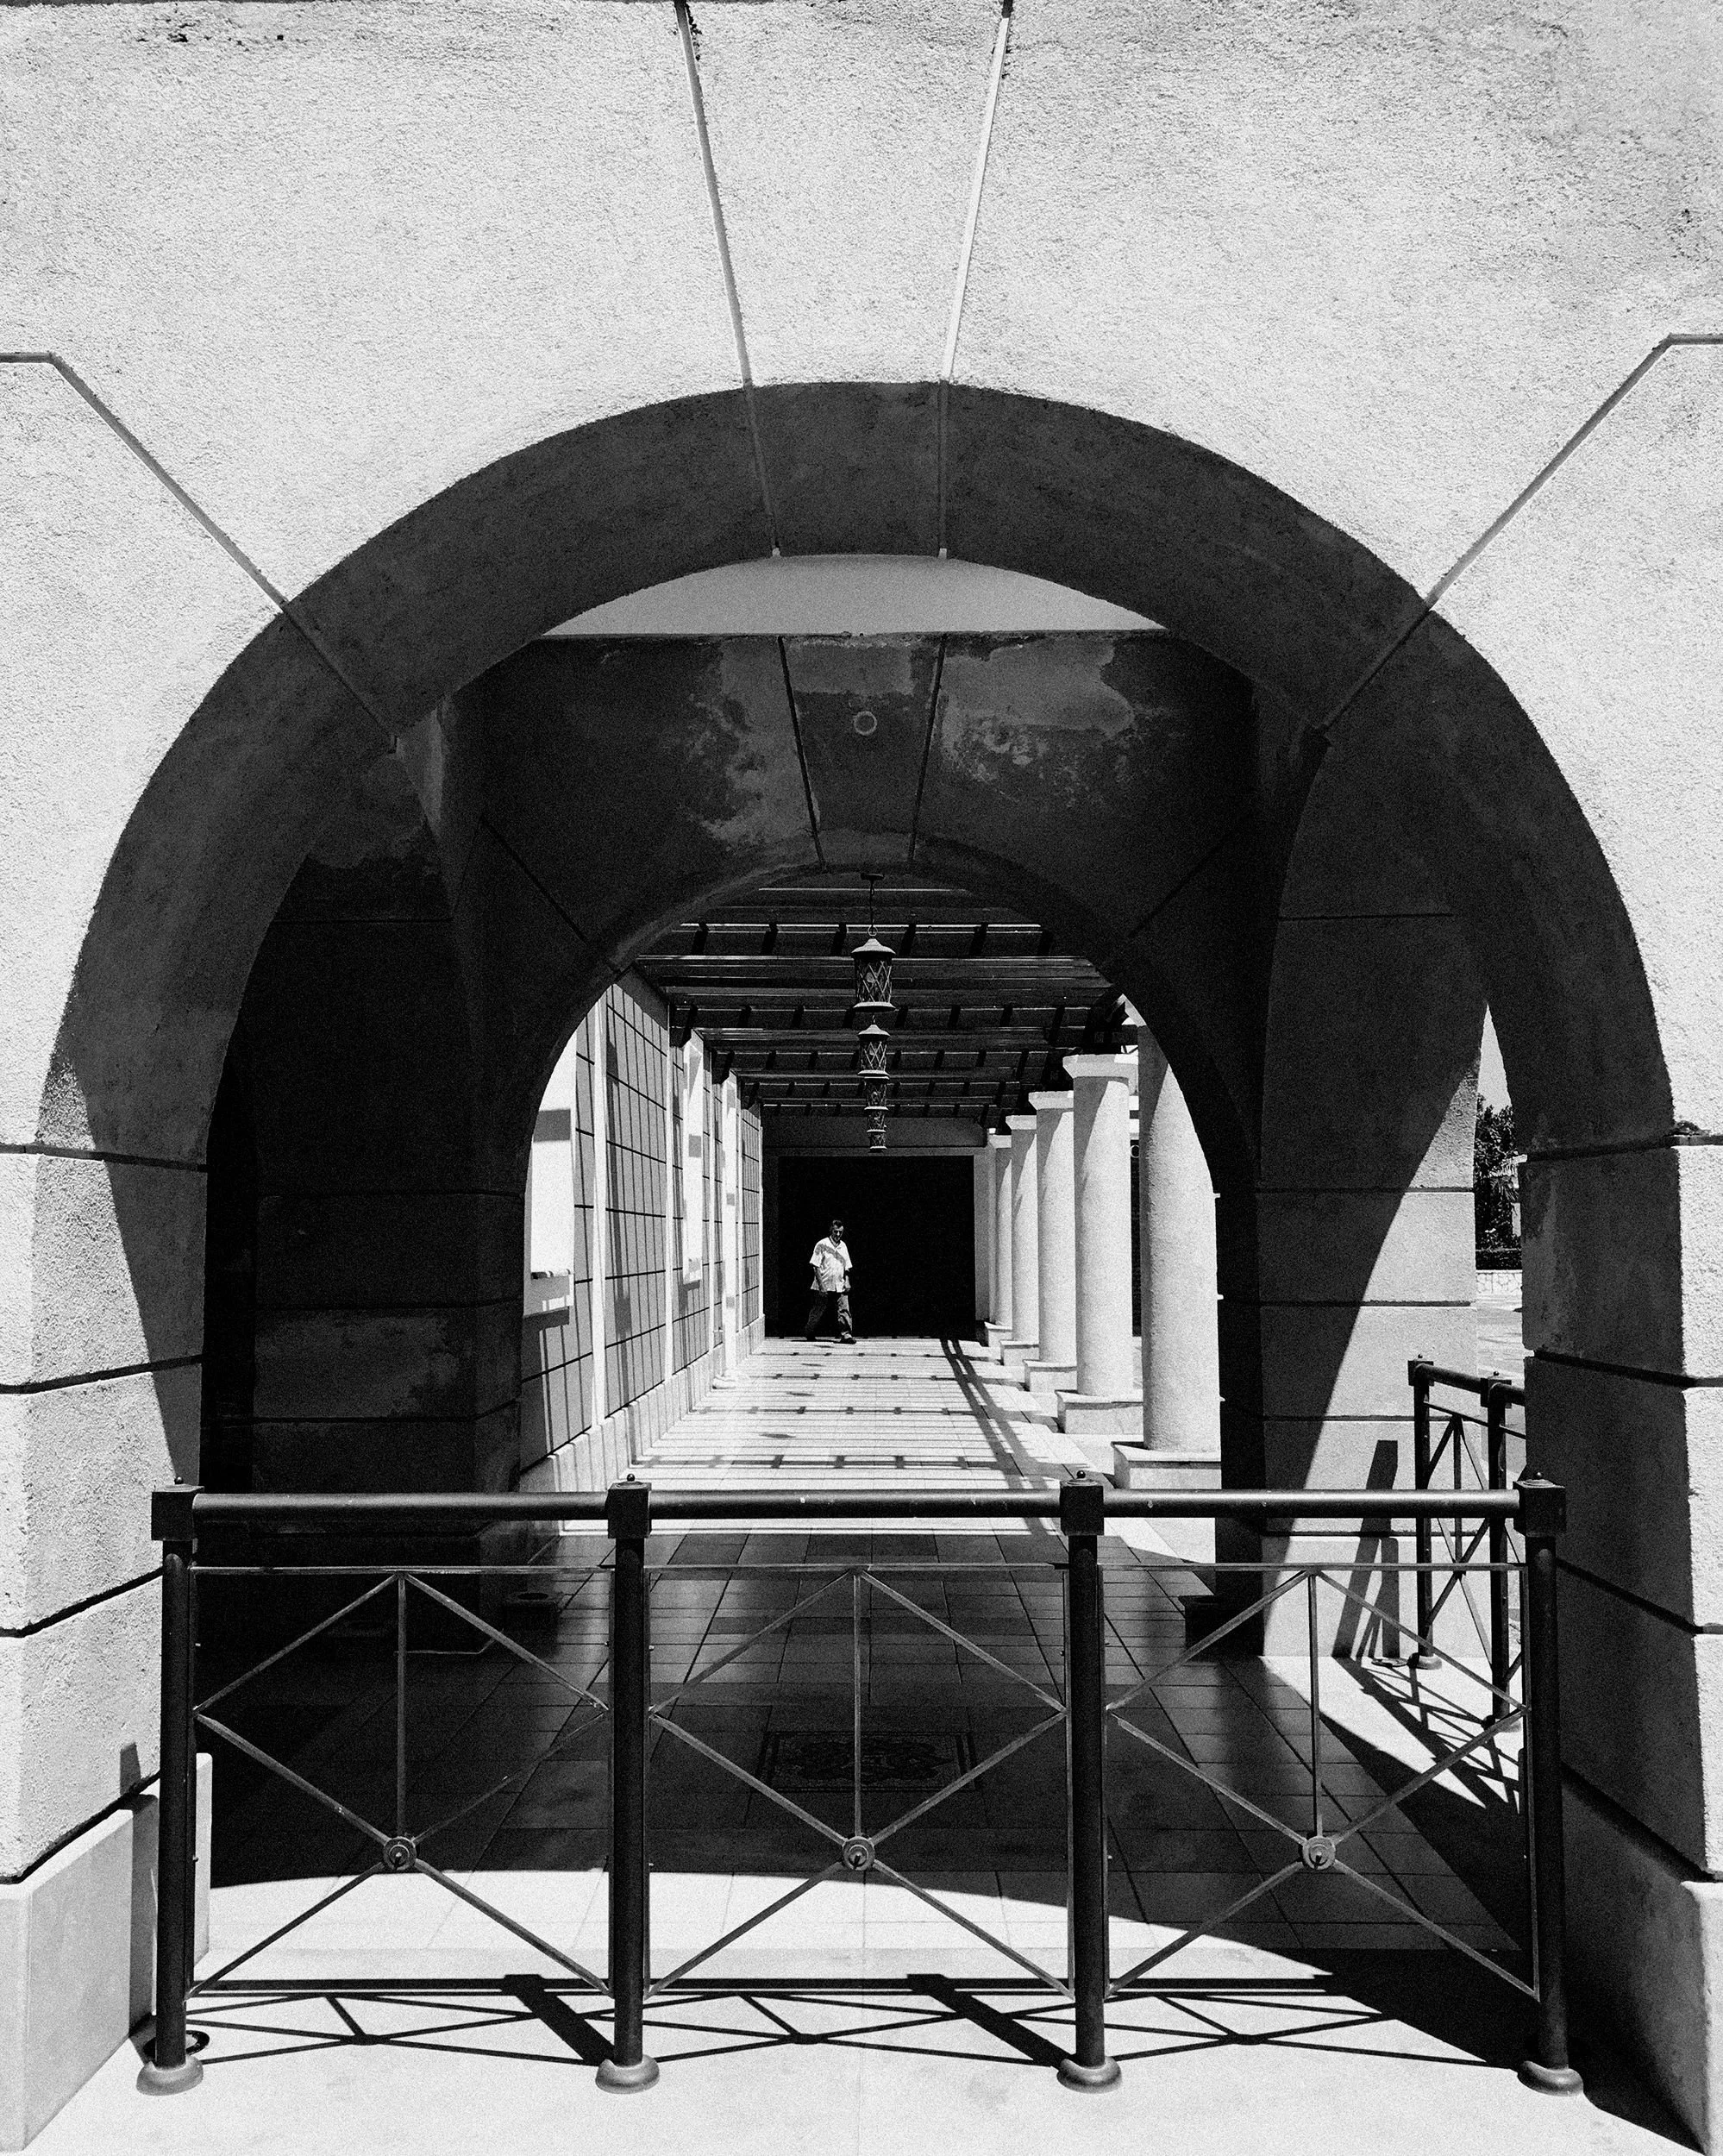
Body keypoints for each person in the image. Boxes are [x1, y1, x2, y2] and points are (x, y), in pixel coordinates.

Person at [805, 1218, 855, 1343]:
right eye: (835, 1232)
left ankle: (846, 1334)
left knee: (844, 1309)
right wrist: (821, 1285)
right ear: (831, 1231)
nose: (838, 1235)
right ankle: (809, 1331)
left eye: (840, 1232)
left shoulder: (843, 1246)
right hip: (825, 1283)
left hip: (840, 1283)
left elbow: (847, 1266)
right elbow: (815, 1265)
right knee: (818, 1309)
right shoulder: (822, 1244)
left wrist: (847, 1281)